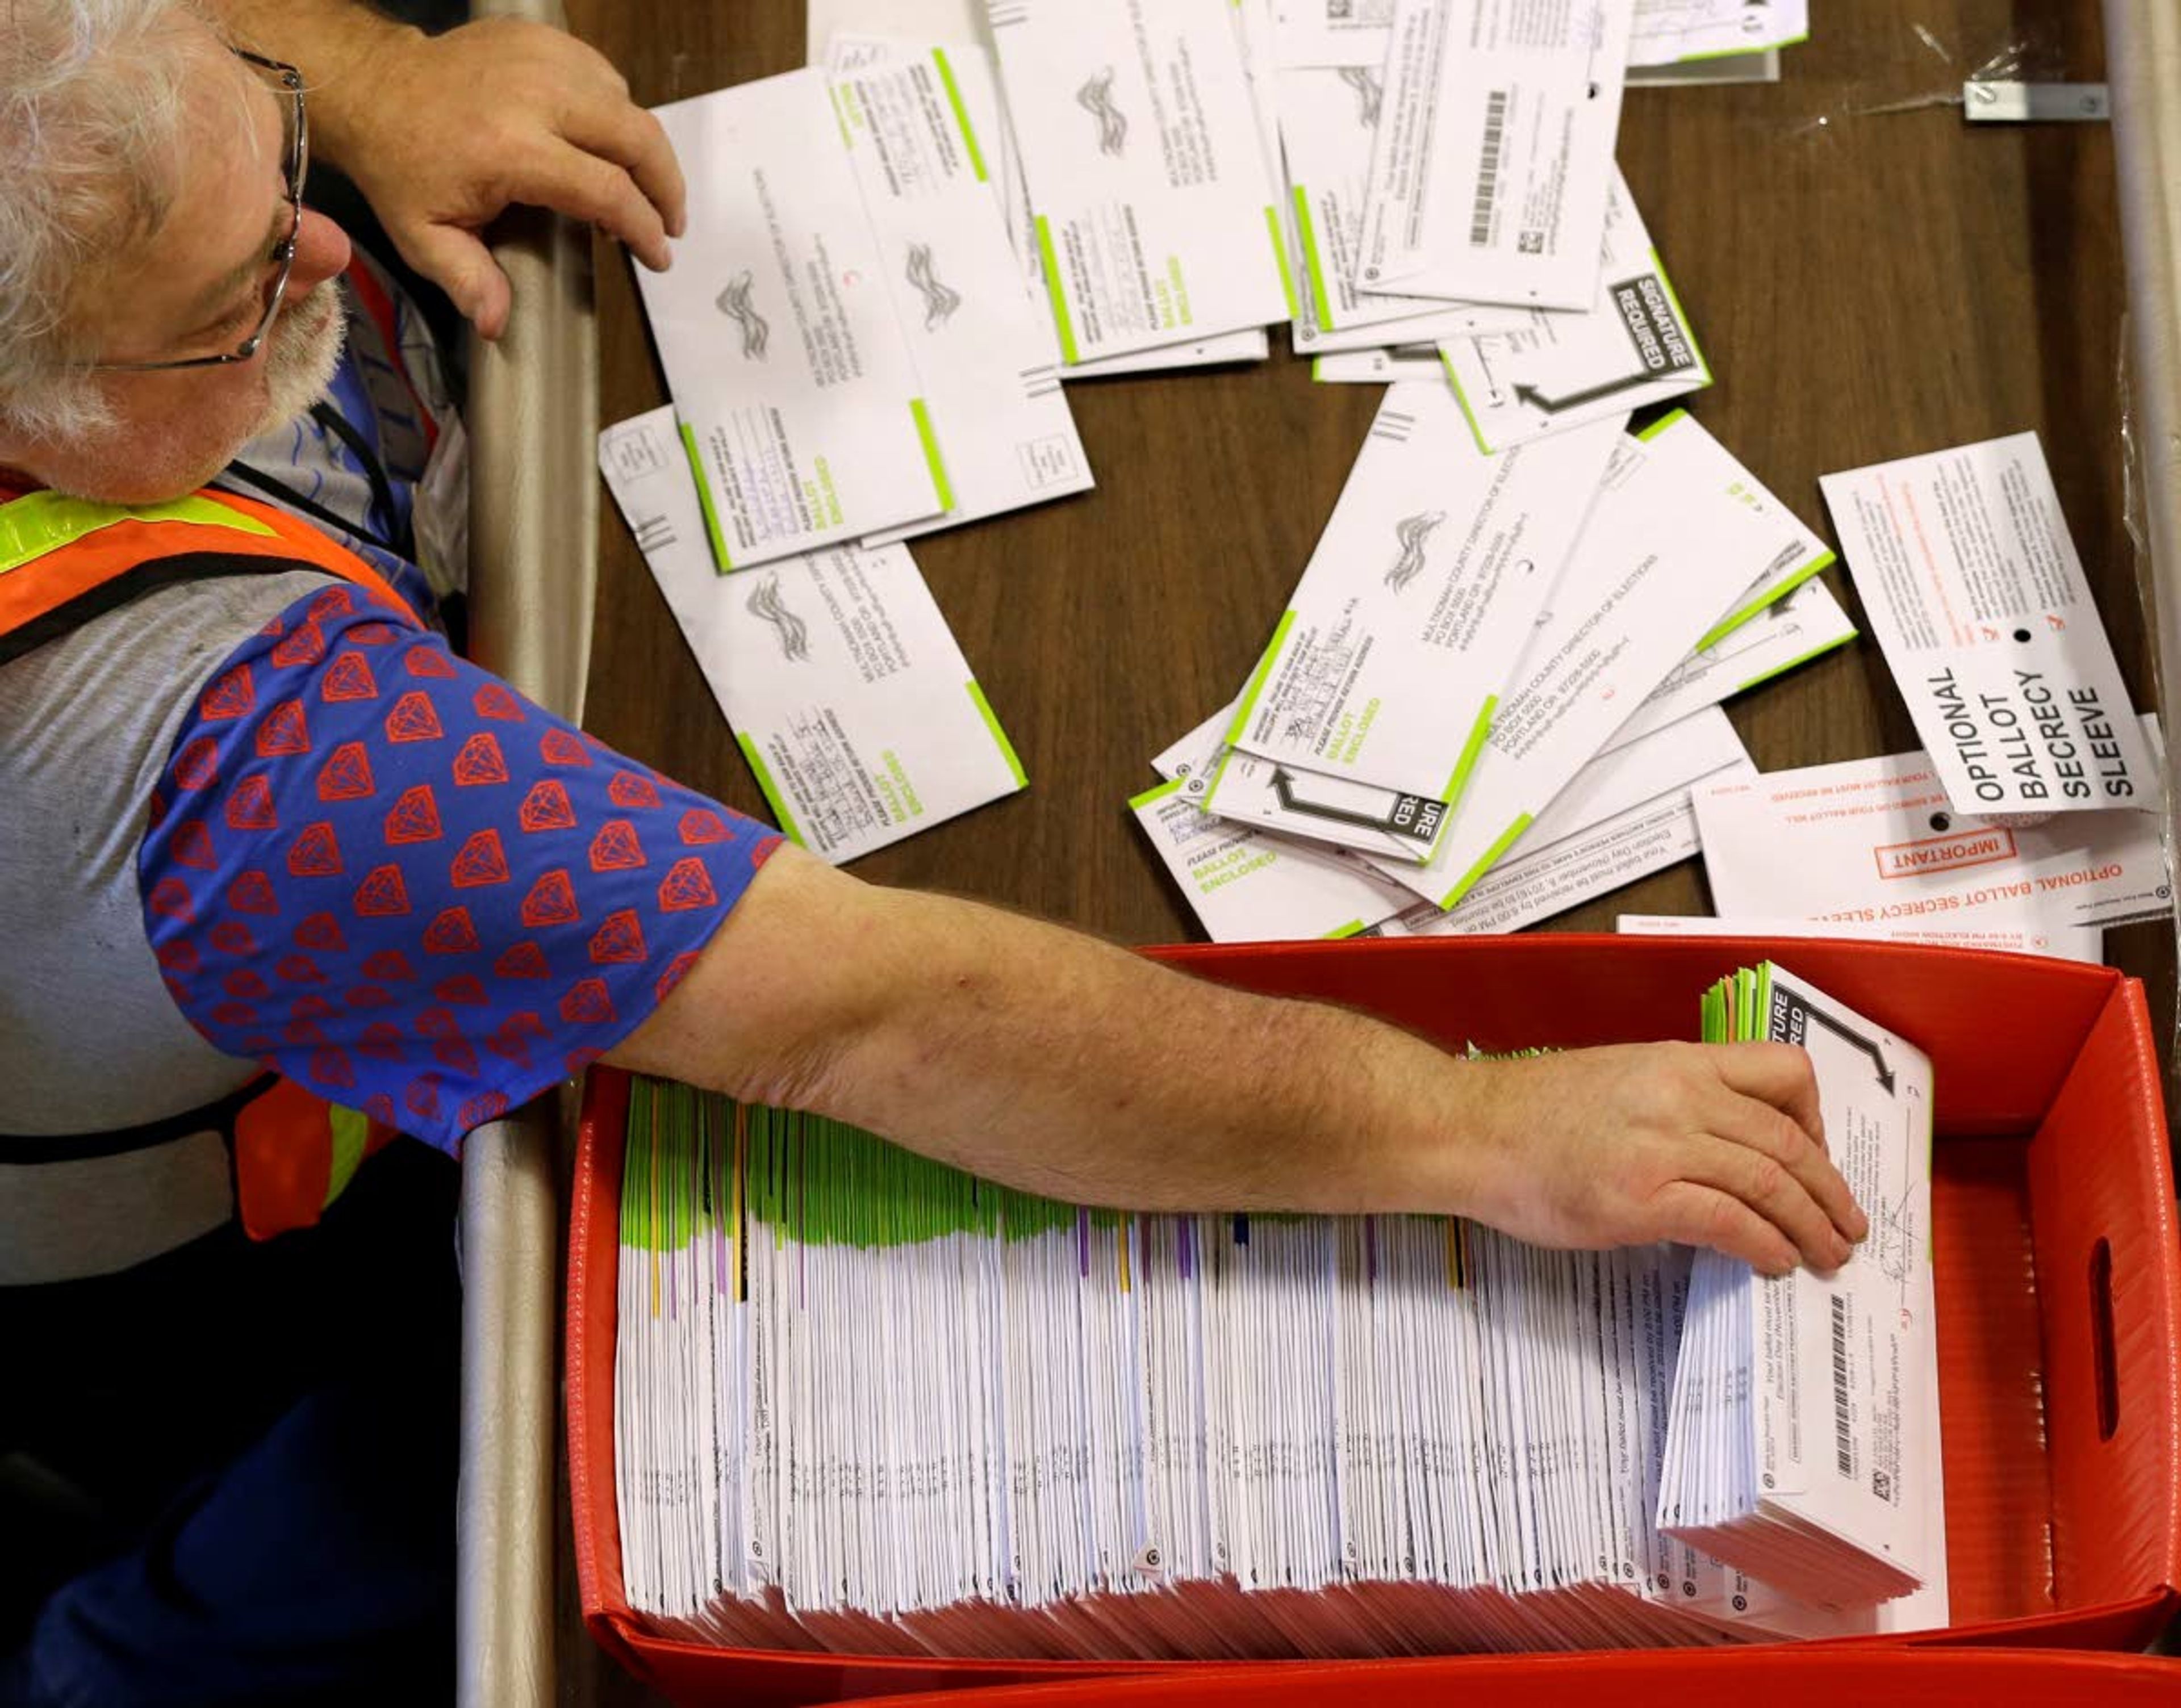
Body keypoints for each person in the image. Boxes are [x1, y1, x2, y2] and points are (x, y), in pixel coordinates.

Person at [0, 2, 1867, 1700]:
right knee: (411, 1472)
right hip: (232, 1258)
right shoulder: (251, 760)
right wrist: (1475, 1127)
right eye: (244, 294)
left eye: (275, 132)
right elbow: (876, 1016)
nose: (321, 240)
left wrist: (369, 76)